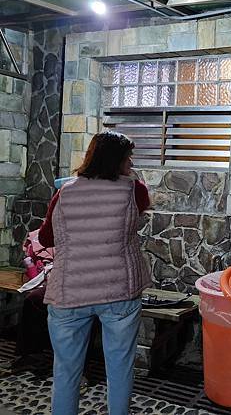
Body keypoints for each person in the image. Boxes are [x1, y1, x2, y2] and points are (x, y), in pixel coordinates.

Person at [39, 131, 151, 415]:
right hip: (119, 292)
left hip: (69, 292)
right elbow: (143, 205)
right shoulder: (133, 190)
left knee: (66, 373)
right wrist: (131, 174)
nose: (130, 163)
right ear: (118, 161)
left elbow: (46, 238)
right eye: (128, 158)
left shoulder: (64, 192)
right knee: (120, 369)